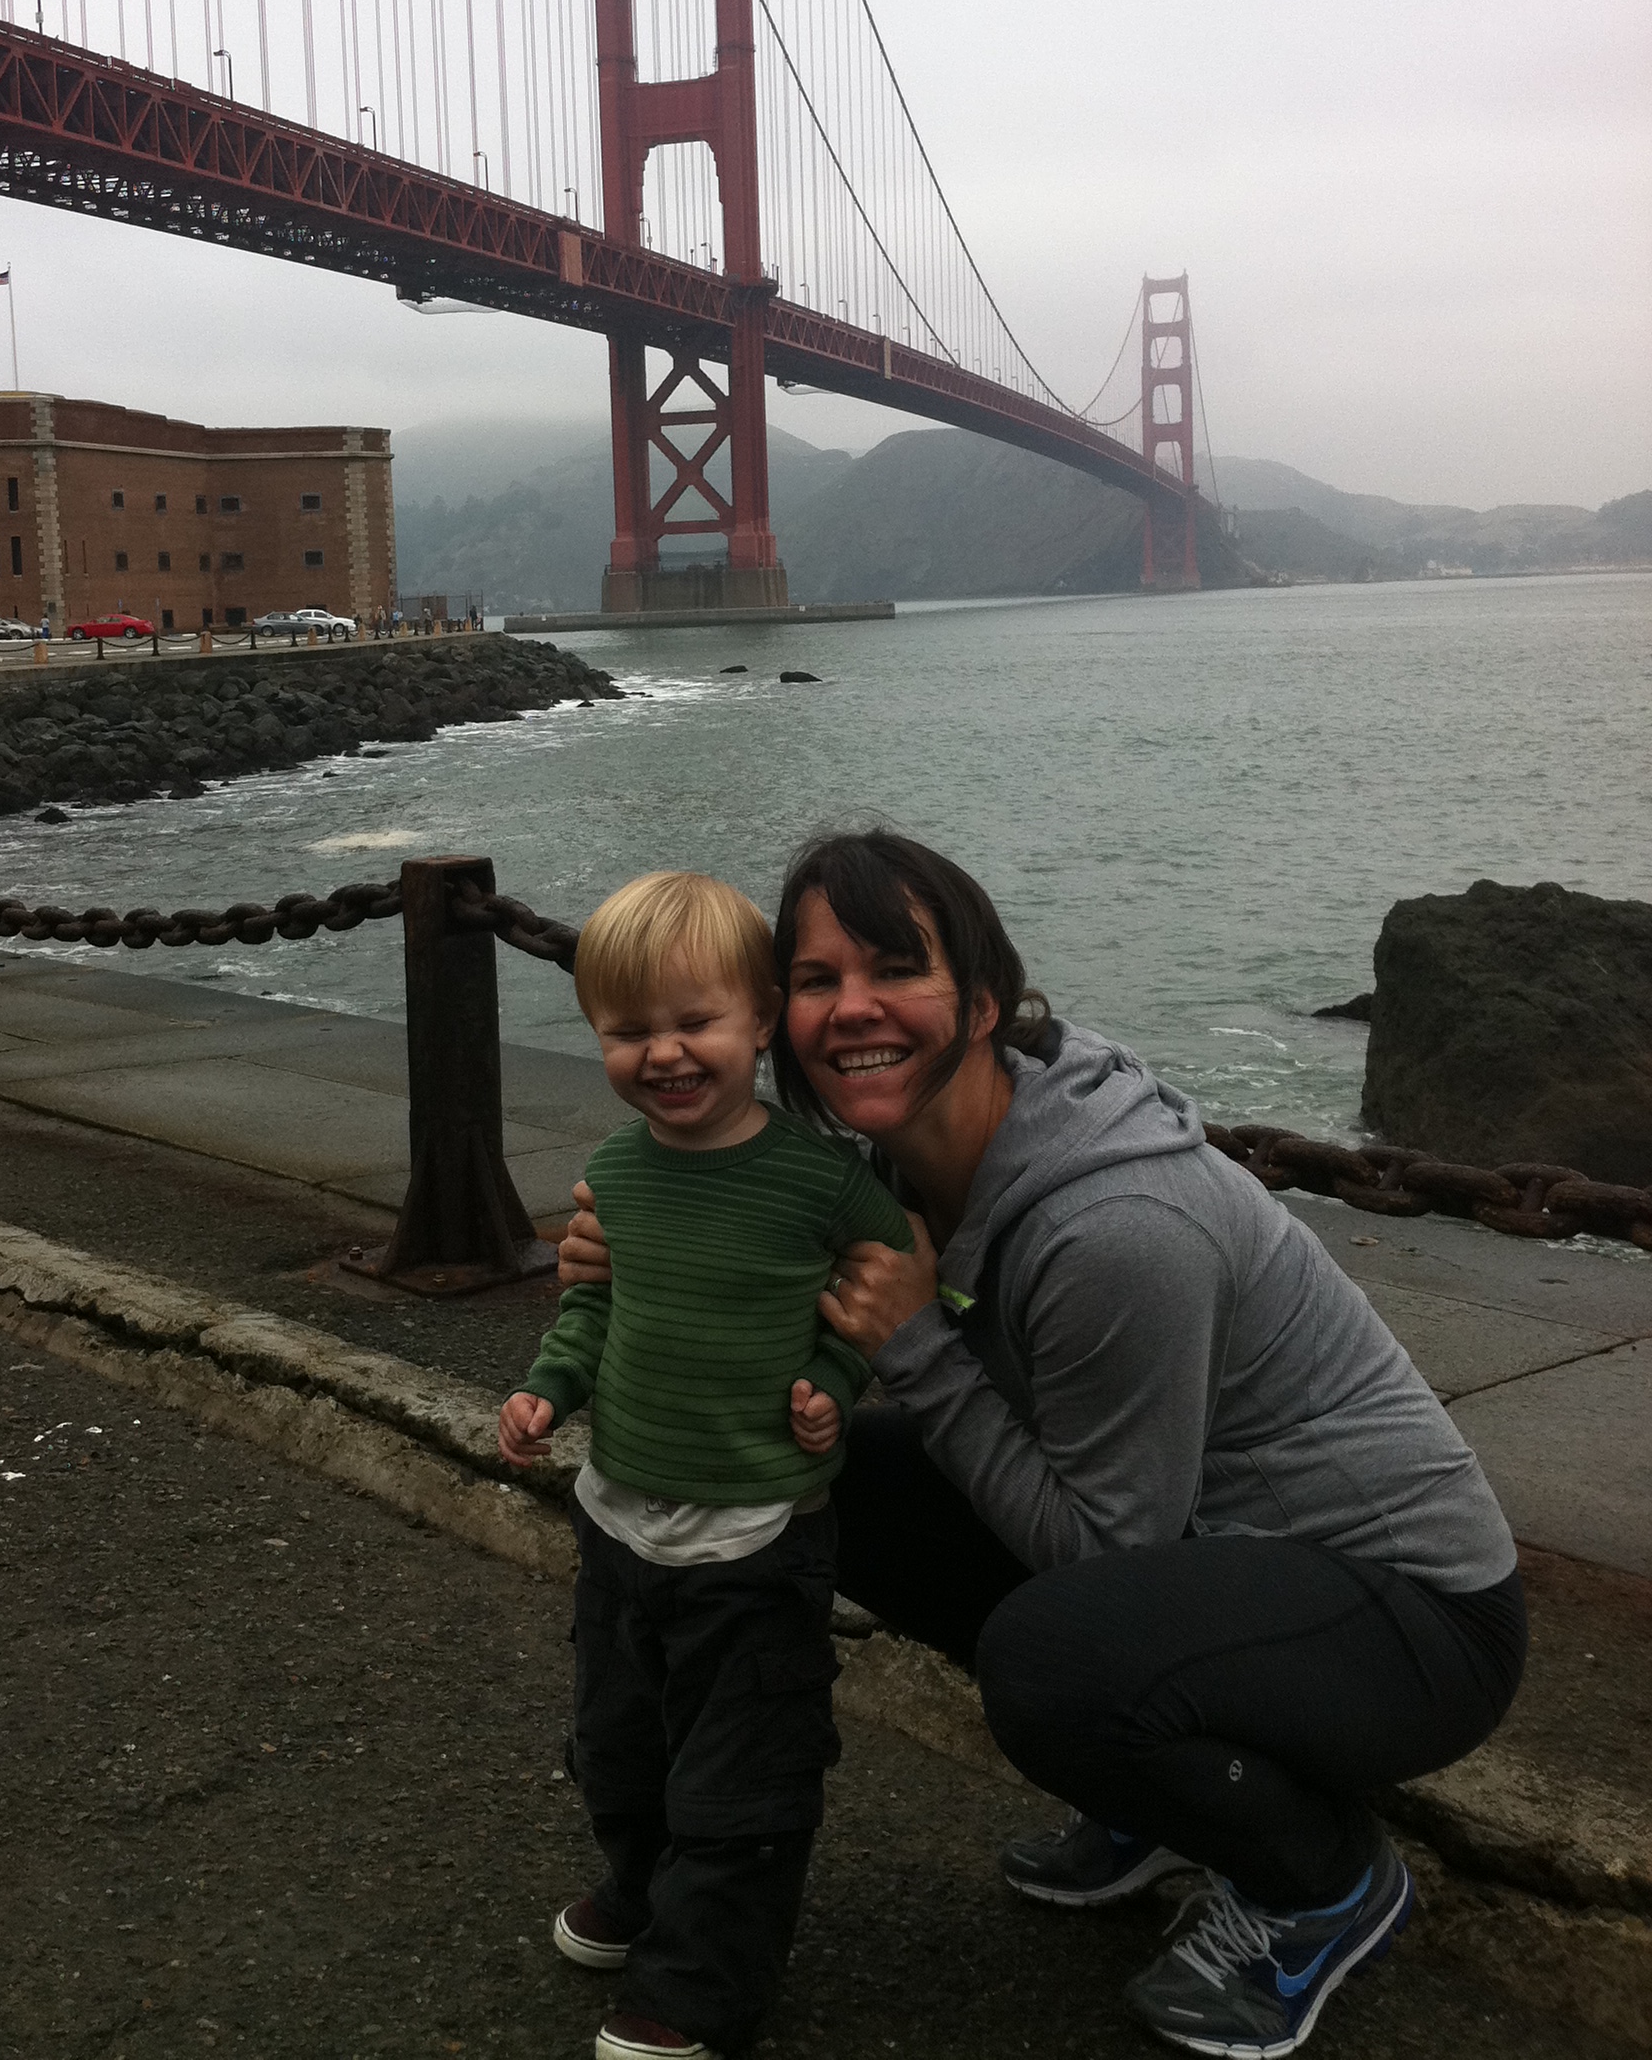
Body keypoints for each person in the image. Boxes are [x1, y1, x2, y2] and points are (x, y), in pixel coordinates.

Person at [560, 830, 1525, 2060]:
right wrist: (632, 1254)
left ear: (980, 1003)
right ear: (774, 1015)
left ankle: (1320, 1883)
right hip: (1208, 1551)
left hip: (1409, 1617)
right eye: (815, 979)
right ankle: (1156, 1797)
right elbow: (767, 1298)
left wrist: (917, 1342)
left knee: (1053, 1662)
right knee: (848, 1479)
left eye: (896, 969)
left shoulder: (1117, 1228)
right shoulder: (900, 1157)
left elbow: (1104, 1550)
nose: (852, 1008)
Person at [504, 871, 913, 2060]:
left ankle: (703, 1986)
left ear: (761, 1021)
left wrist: (833, 1381)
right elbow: (593, 1308)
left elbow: (882, 1285)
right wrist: (546, 1388)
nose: (665, 1053)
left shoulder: (819, 1178)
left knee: (743, 1772)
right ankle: (643, 1892)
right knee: (616, 1740)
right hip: (617, 1519)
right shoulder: (618, 1172)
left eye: (696, 1023)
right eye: (629, 1031)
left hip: (755, 1538)